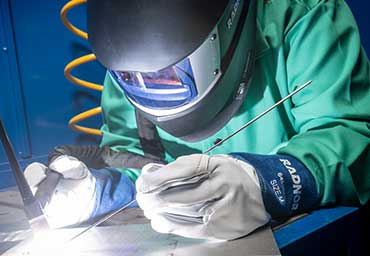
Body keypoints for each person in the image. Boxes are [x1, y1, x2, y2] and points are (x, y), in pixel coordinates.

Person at [25, 0, 370, 240]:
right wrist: (98, 192)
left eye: (171, 75)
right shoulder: (128, 71)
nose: (151, 84)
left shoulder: (302, 17)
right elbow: (134, 162)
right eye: (136, 79)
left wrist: (266, 183)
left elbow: (349, 136)